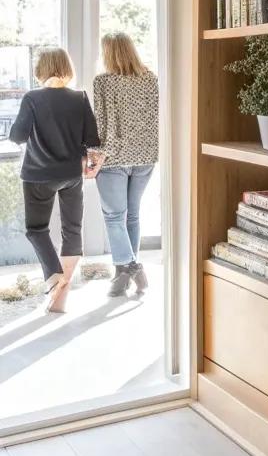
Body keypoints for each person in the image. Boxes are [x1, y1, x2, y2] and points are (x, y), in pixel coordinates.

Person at [9, 47, 103, 314]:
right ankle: (61, 296)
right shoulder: (79, 97)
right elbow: (92, 139)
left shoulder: (32, 98)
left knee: (36, 229)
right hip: (71, 175)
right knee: (72, 230)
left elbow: (17, 136)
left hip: (38, 175)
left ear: (41, 69)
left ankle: (53, 276)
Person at [93, 32, 159, 297]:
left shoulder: (103, 82)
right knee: (131, 215)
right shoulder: (150, 79)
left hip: (113, 157)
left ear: (108, 53)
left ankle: (132, 267)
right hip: (146, 156)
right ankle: (122, 278)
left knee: (114, 217)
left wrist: (95, 155)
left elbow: (99, 122)